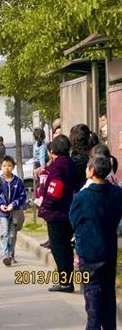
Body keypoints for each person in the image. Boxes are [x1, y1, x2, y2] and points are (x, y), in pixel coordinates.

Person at [70, 155, 122, 329]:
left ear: (91, 171)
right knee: (108, 294)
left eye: (87, 167)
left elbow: (74, 221)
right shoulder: (117, 193)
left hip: (89, 253)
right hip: (109, 250)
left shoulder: (82, 197)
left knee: (92, 297)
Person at [38, 134, 77, 293]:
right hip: (68, 212)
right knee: (66, 247)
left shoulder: (58, 166)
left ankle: (65, 283)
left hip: (56, 213)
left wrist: (44, 206)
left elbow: (55, 190)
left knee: (59, 248)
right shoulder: (70, 164)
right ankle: (68, 281)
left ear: (52, 150)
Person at [0, 156, 26, 266]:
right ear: (1, 167)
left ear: (13, 167)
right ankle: (6, 255)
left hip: (14, 212)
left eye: (9, 166)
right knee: (4, 233)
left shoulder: (18, 181)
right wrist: (0, 206)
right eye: (4, 166)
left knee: (12, 235)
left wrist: (14, 204)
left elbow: (22, 196)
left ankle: (11, 253)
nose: (7, 168)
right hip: (2, 213)